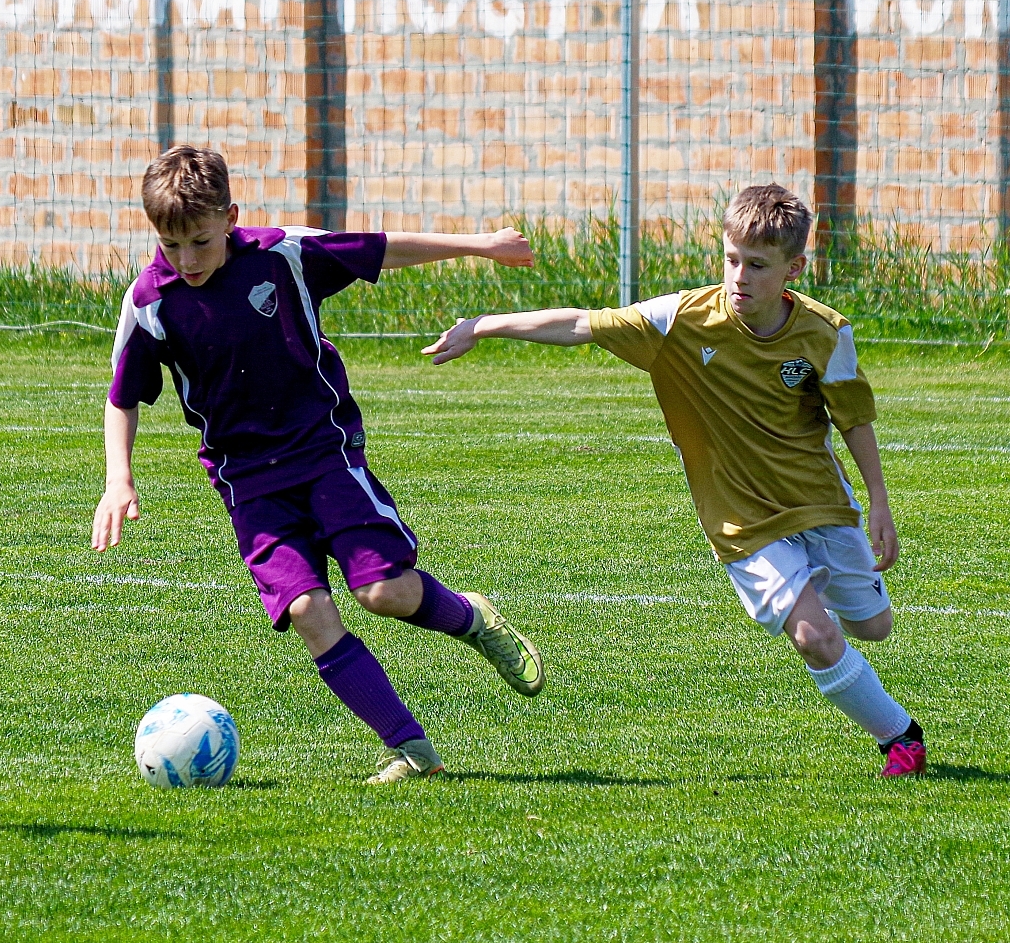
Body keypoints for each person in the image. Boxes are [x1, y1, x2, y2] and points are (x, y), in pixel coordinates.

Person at [423, 184, 925, 775]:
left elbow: (854, 418)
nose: (739, 277)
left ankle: (820, 603)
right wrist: (484, 325)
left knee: (874, 627)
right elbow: (581, 324)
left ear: (794, 269)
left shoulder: (825, 332)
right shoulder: (683, 318)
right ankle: (900, 737)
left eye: (757, 265)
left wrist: (880, 503)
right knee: (816, 638)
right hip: (740, 519)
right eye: (731, 259)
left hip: (820, 502)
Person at [91, 145, 545, 783]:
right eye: (171, 245)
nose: (186, 260)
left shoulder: (282, 256)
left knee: (383, 593)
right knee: (307, 610)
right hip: (248, 482)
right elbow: (123, 396)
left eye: (199, 242)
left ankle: (472, 618)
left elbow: (381, 248)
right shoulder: (149, 301)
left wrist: (483, 246)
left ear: (230, 219)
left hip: (324, 454)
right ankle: (413, 752)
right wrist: (119, 479)